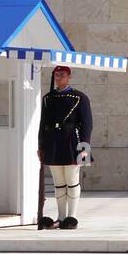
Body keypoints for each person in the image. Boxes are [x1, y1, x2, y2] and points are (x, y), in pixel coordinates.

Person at [38, 65, 94, 230]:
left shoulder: (79, 98)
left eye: (62, 75)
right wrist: (41, 146)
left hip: (72, 142)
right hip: (53, 142)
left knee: (71, 179)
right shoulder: (48, 98)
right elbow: (43, 124)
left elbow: (87, 124)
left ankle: (72, 216)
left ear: (69, 76)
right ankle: (61, 217)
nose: (58, 78)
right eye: (56, 75)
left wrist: (85, 147)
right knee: (59, 182)